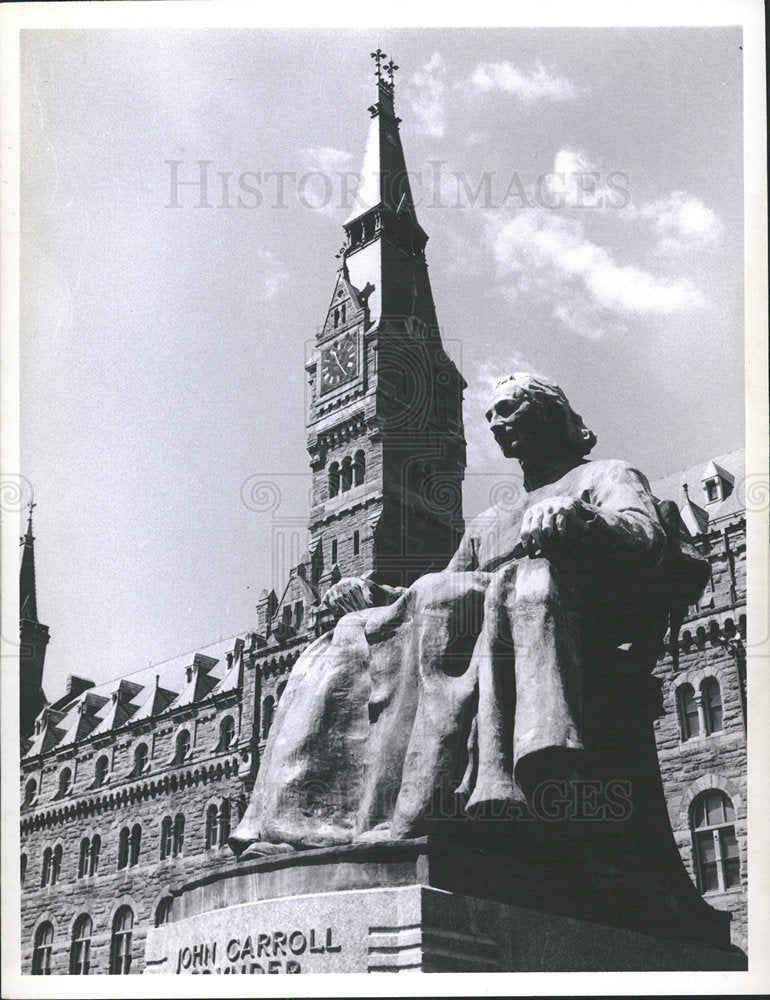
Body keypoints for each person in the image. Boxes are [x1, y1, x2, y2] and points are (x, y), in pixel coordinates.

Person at [228, 373, 691, 858]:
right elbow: (427, 592)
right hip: (475, 628)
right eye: (489, 415)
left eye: (509, 408)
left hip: (565, 625)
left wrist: (581, 517)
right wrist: (373, 594)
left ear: (552, 413)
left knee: (460, 597)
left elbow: (645, 535)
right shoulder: (488, 523)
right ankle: (297, 823)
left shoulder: (604, 475)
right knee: (347, 634)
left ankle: (415, 811)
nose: (495, 423)